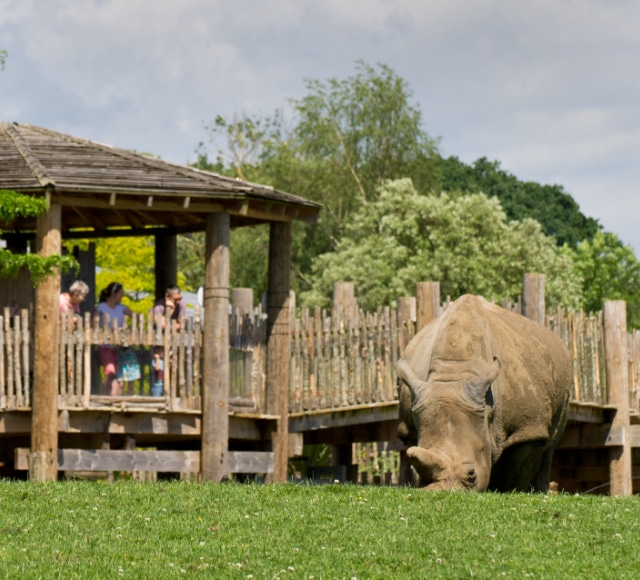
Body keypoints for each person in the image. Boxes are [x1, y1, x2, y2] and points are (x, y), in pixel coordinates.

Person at [93, 282, 140, 396]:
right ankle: (104, 396)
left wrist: (126, 329)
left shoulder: (122, 308)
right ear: (114, 294)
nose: (122, 296)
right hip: (105, 345)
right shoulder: (101, 307)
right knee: (110, 371)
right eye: (121, 294)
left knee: (119, 377)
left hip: (118, 346)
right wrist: (107, 331)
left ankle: (114, 397)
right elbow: (94, 323)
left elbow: (137, 318)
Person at [150, 286, 186, 397]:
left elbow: (182, 323)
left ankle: (172, 397)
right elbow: (160, 324)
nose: (178, 301)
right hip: (159, 345)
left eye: (180, 298)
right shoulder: (159, 306)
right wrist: (169, 311)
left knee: (175, 373)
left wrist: (171, 325)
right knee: (158, 374)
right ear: (167, 297)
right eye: (175, 299)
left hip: (175, 343)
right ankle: (156, 399)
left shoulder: (181, 304)